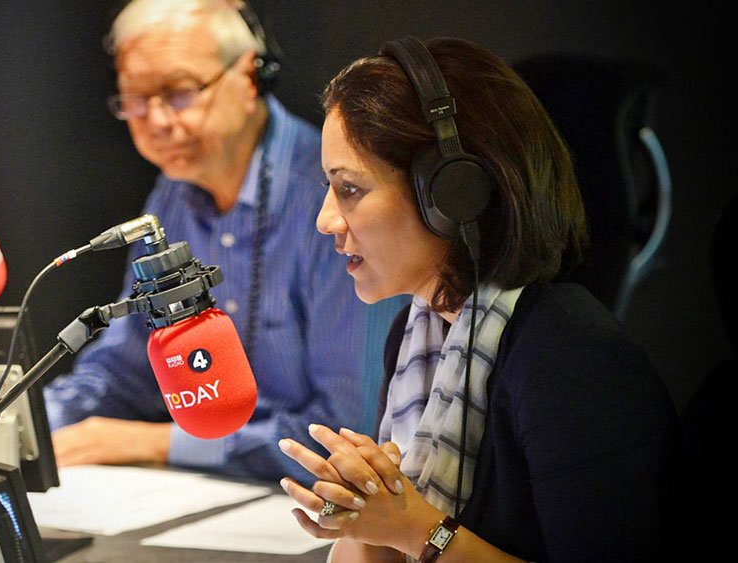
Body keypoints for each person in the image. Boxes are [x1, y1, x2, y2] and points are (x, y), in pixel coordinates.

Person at [277, 37, 679, 562]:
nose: (325, 219)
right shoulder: (415, 332)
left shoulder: (568, 351)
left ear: (451, 194)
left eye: (349, 188)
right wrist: (362, 513)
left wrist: (415, 528)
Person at [44, 0, 401, 482]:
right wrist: (15, 427)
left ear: (251, 77)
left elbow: (346, 431)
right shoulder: (171, 194)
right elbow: (123, 367)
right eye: (134, 98)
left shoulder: (334, 199)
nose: (157, 122)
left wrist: (152, 443)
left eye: (179, 92)